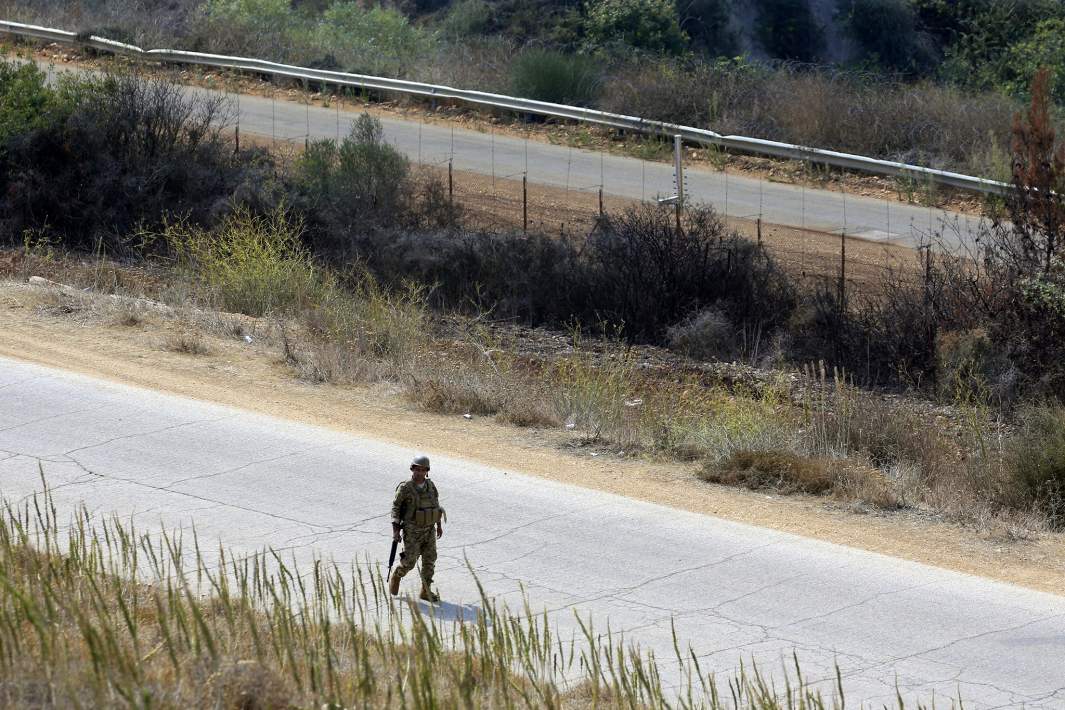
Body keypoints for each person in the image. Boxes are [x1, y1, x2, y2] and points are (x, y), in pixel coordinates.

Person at [388, 454, 445, 602]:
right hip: (412, 531)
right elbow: (396, 508)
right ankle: (397, 575)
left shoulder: (430, 486)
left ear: (427, 471)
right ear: (412, 469)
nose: (419, 473)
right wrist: (395, 531)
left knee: (430, 560)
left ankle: (425, 591)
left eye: (423, 470)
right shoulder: (405, 488)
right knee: (410, 562)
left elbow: (436, 506)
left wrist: (438, 525)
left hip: (429, 530)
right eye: (417, 469)